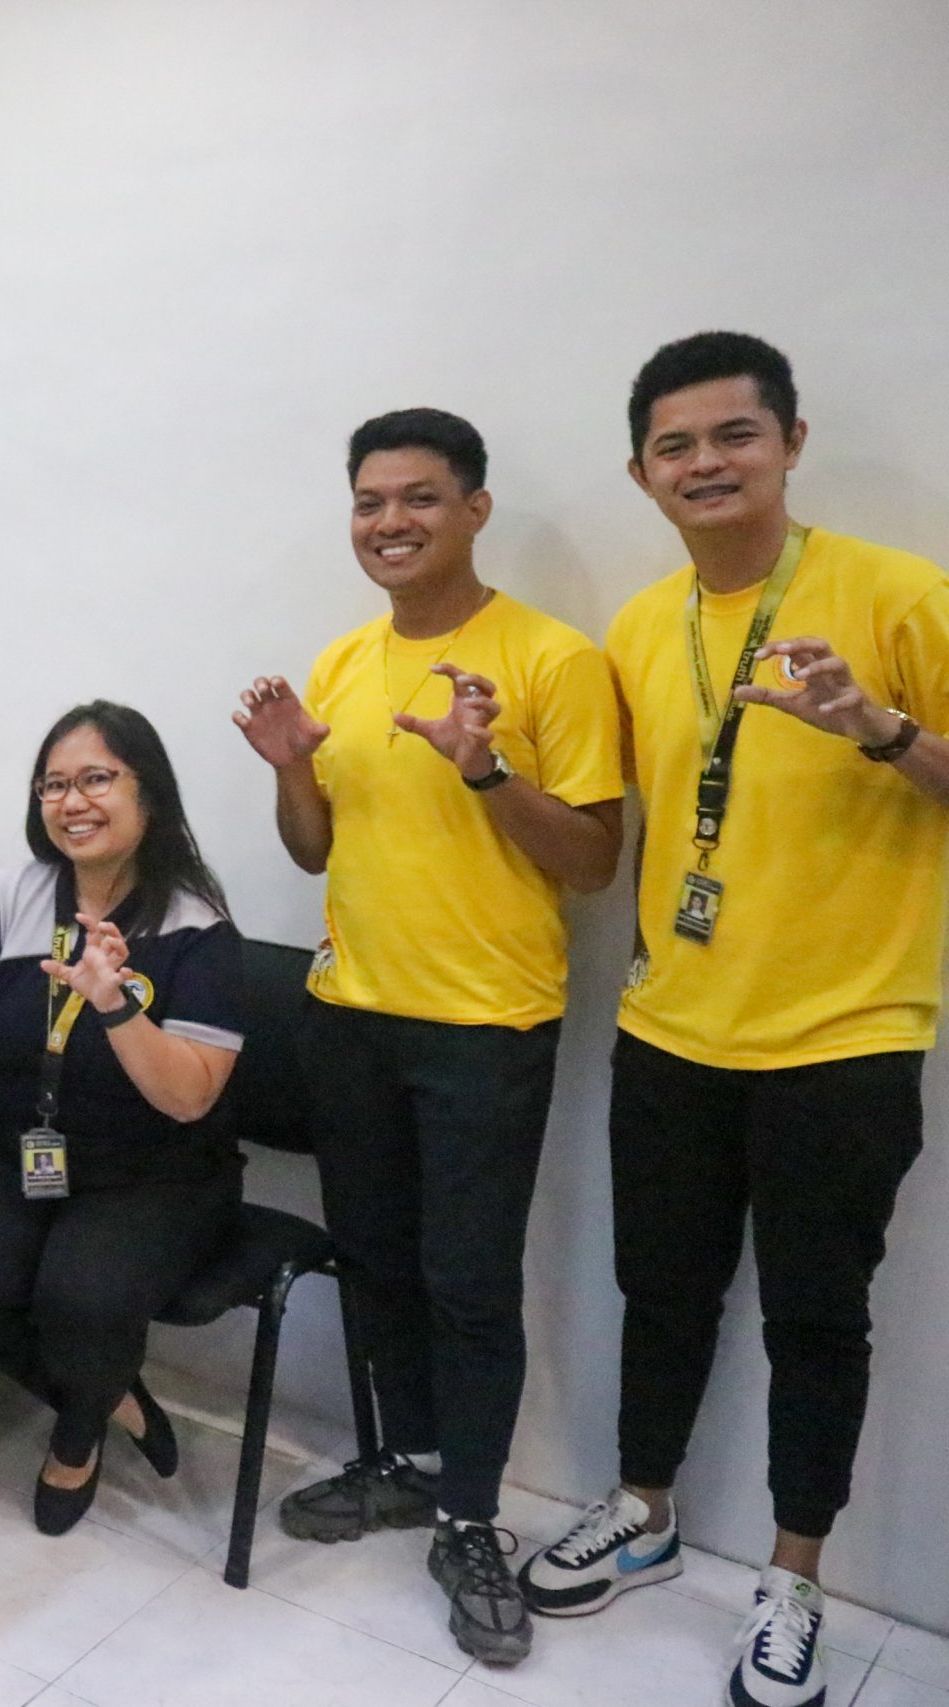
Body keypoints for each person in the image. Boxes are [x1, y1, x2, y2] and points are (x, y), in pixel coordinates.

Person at [519, 333, 949, 1707]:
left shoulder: (901, 594)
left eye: (734, 436)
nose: (706, 463)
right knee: (664, 1292)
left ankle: (795, 1573)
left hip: (847, 1036)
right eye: (676, 445)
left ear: (792, 443)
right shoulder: (643, 627)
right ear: (643, 473)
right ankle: (642, 1508)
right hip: (674, 1031)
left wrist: (879, 726)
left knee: (820, 1318)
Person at [234, 409, 622, 1666]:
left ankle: (469, 1520)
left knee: (468, 1284)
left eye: (417, 499)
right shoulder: (344, 661)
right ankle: (398, 1464)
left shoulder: (551, 661)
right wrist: (292, 766)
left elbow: (593, 862)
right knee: (378, 1260)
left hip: (483, 1028)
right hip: (349, 1016)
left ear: (474, 509)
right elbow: (315, 847)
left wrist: (483, 769)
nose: (388, 523)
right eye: (367, 502)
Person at [0, 700, 244, 1538]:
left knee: (82, 1301)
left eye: (95, 779)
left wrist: (116, 1007)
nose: (72, 801)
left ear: (147, 793)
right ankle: (117, 1395)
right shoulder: (14, 892)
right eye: (54, 784)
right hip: (16, 1144)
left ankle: (77, 1434)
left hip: (150, 1168)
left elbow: (191, 1095)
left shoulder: (196, 926)